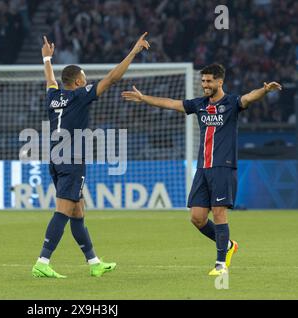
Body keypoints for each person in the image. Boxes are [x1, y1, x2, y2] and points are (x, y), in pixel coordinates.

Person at [121, 63, 282, 275]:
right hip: (203, 168)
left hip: (223, 167)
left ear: (219, 82)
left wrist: (264, 90)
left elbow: (249, 97)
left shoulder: (231, 103)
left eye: (208, 81)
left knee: (218, 213)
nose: (204, 85)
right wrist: (144, 98)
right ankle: (229, 245)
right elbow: (171, 103)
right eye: (203, 81)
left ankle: (220, 265)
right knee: (197, 218)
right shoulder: (199, 104)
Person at [32, 33, 149, 278]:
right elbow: (114, 78)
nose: (87, 81)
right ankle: (42, 261)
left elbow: (50, 79)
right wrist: (133, 52)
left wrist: (46, 58)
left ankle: (94, 262)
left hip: (55, 158)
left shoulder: (53, 97)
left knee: (77, 211)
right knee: (64, 209)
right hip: (72, 159)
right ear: (76, 82)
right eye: (84, 78)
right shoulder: (80, 96)